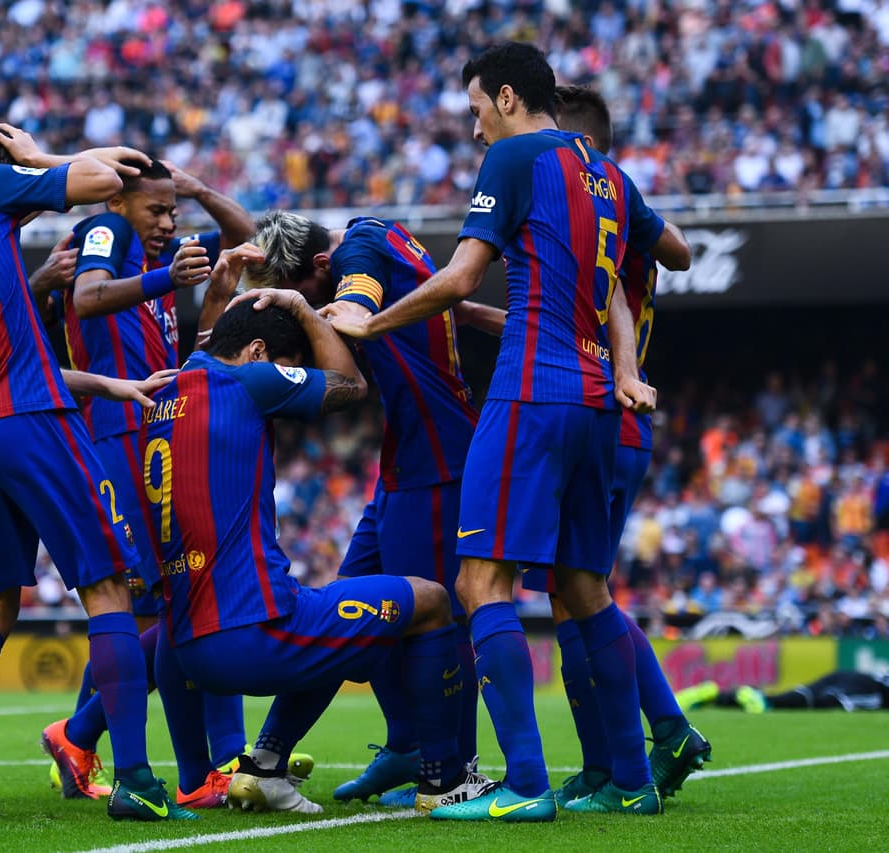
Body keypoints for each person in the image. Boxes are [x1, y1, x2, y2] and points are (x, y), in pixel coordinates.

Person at [329, 42, 691, 821]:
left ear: (502, 97)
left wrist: (371, 322)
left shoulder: (517, 157)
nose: (474, 132)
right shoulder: (609, 175)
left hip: (531, 396)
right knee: (585, 587)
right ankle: (631, 779)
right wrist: (626, 372)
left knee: (479, 583)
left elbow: (461, 276)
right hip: (600, 406)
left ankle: (526, 782)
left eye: (474, 113)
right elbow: (632, 290)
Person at [0, 118, 193, 822]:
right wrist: (34, 157)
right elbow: (107, 181)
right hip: (28, 421)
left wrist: (100, 384)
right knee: (109, 588)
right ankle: (138, 779)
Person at [143, 276, 478, 816]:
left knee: (341, 613)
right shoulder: (250, 381)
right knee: (432, 599)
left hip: (185, 651)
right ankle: (445, 781)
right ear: (257, 354)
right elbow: (348, 383)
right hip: (256, 634)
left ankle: (265, 767)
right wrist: (303, 308)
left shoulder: (164, 397)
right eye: (286, 361)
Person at [241, 210, 492, 807]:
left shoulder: (357, 254)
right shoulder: (378, 234)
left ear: (320, 267)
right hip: (408, 464)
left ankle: (450, 769)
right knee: (342, 613)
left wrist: (317, 314)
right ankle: (268, 759)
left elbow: (353, 308)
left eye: (301, 292)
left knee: (435, 620)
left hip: (439, 465)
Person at [43, 157, 258, 809]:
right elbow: (86, 296)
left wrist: (194, 189)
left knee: (187, 597)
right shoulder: (106, 232)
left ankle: (209, 757)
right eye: (156, 209)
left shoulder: (158, 251)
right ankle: (196, 761)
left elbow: (247, 233)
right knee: (171, 601)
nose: (168, 222)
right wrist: (168, 273)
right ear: (120, 200)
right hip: (114, 433)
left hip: (156, 430)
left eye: (172, 211)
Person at [530, 85, 712, 805]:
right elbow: (681, 251)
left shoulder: (590, 190)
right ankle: (611, 759)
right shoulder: (616, 200)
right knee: (574, 593)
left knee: (583, 594)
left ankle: (656, 738)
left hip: (601, 410)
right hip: (615, 416)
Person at [678, 671, 889, 713]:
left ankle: (718, 695)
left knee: (803, 693)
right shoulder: (878, 694)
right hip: (872, 689)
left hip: (853, 675)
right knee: (821, 702)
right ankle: (765, 701)